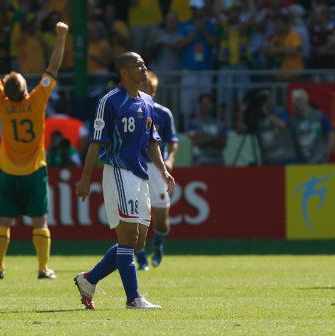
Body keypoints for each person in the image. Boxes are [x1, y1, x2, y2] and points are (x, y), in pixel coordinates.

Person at [74, 52, 175, 310]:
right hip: (119, 171)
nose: (144, 68)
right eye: (138, 65)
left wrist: (163, 172)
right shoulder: (110, 101)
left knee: (138, 241)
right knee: (128, 237)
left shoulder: (148, 102)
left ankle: (89, 280)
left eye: (144, 63)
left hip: (141, 174)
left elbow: (153, 141)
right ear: (124, 72)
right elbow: (96, 143)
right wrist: (85, 178)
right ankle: (134, 298)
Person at [0, 20, 69, 280]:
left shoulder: (2, 102)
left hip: (8, 171)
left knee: (3, 220)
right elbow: (54, 67)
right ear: (26, 89)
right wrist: (61, 36)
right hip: (35, 170)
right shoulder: (37, 100)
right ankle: (42, 267)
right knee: (39, 221)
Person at [134, 71, 179, 270]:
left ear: (153, 89)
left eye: (146, 86)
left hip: (156, 168)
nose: (142, 89)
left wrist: (170, 159)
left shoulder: (163, 113)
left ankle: (158, 243)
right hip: (135, 165)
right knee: (136, 215)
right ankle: (140, 256)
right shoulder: (130, 111)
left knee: (160, 219)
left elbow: (173, 141)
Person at [288, 88, 335, 164]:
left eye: (301, 99)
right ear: (293, 103)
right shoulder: (292, 121)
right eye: (297, 100)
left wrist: (327, 152)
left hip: (320, 161)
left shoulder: (319, 116)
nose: (299, 102)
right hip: (302, 164)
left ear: (306, 100)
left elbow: (331, 135)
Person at [188, 93, 228, 166]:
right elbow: (197, 141)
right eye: (203, 103)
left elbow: (223, 144)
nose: (206, 106)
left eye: (208, 103)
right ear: (199, 105)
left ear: (212, 105)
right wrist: (215, 138)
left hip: (217, 161)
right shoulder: (193, 123)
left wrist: (204, 138)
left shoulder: (220, 124)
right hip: (199, 161)